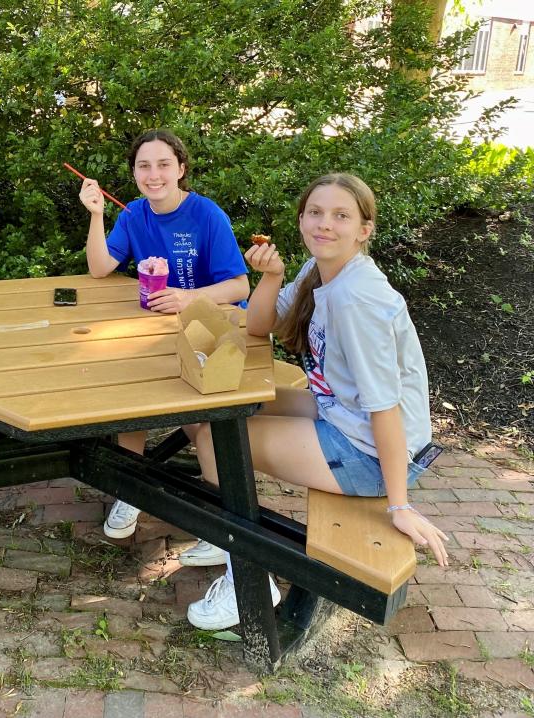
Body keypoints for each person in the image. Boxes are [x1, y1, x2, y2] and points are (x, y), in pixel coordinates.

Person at [186, 172, 450, 631]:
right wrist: (272, 275)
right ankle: (225, 529)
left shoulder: (359, 300)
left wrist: (399, 505)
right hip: (340, 415)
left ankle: (247, 576)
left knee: (214, 440)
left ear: (364, 229)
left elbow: (385, 409)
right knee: (212, 411)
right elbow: (258, 326)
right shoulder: (321, 269)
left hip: (367, 451)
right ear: (303, 219)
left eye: (341, 215)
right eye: (316, 213)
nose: (325, 224)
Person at [77, 128, 249, 565]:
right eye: (143, 166)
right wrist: (96, 215)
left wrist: (188, 297)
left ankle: (220, 517)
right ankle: (131, 491)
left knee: (204, 423)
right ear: (134, 172)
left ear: (181, 169)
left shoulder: (207, 215)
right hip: (158, 330)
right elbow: (100, 268)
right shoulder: (134, 214)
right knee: (134, 392)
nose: (153, 175)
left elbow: (240, 285)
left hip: (214, 331)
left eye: (163, 165)